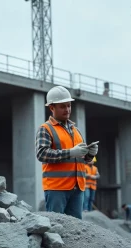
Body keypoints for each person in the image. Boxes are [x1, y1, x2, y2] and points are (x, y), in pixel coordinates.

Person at [35, 86, 98, 219]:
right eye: (62, 106)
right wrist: (70, 152)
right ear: (52, 108)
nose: (67, 109)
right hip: (57, 188)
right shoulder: (45, 129)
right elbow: (42, 154)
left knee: (75, 231)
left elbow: (80, 158)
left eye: (69, 106)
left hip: (78, 187)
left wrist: (90, 154)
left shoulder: (76, 130)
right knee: (56, 227)